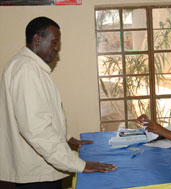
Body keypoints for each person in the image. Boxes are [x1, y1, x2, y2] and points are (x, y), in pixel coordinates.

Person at [0, 16, 117, 189]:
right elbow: (36, 129)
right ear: (37, 39)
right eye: (54, 43)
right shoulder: (26, 69)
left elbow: (41, 114)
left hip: (40, 169)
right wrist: (80, 165)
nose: (56, 49)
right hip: (36, 176)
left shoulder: (31, 67)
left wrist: (66, 138)